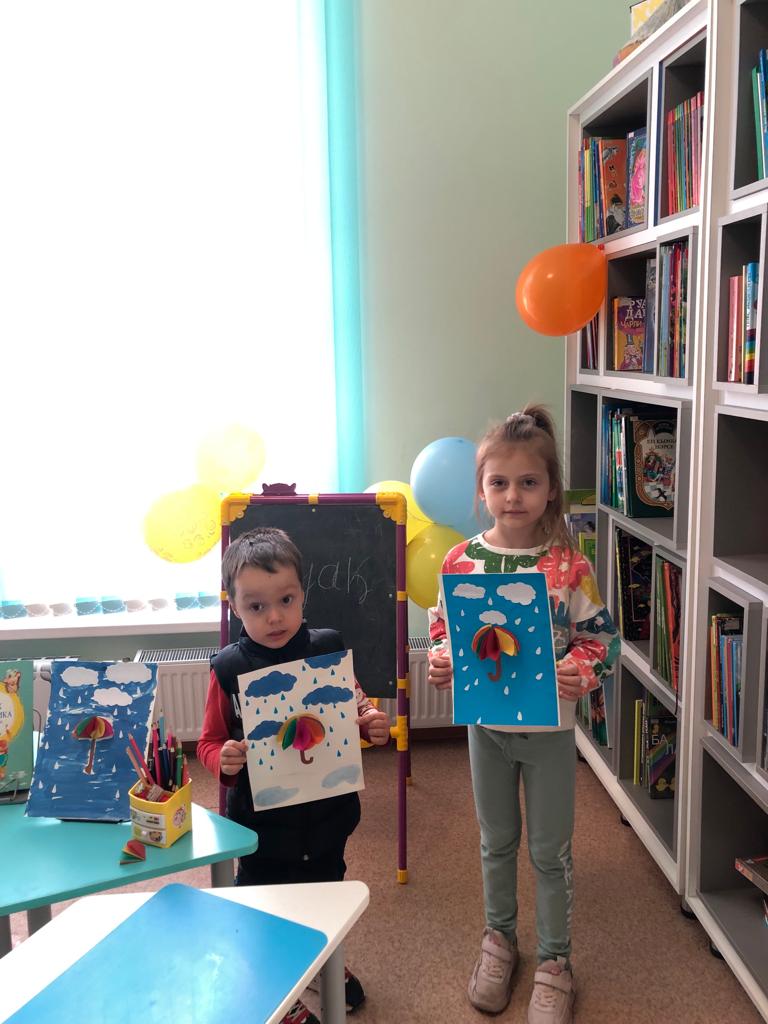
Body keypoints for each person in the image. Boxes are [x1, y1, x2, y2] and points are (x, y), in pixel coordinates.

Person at [427, 405, 619, 1024]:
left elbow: (602, 640)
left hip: (549, 733)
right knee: (495, 841)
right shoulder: (459, 561)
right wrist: (441, 659)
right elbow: (443, 628)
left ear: (551, 489)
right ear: (482, 491)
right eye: (500, 483)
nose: (513, 496)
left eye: (528, 482)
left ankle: (556, 961)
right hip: (486, 730)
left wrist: (579, 671)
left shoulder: (568, 565)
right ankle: (499, 940)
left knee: (549, 851)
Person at [197, 527, 391, 1024]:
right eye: (256, 606)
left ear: (304, 594)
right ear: (234, 606)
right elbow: (208, 743)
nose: (274, 616)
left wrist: (371, 723)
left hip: (328, 816)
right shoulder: (228, 670)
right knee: (267, 909)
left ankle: (324, 964)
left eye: (285, 600)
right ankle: (280, 989)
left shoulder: (327, 652)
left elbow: (358, 706)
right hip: (262, 827)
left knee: (325, 893)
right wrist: (224, 759)